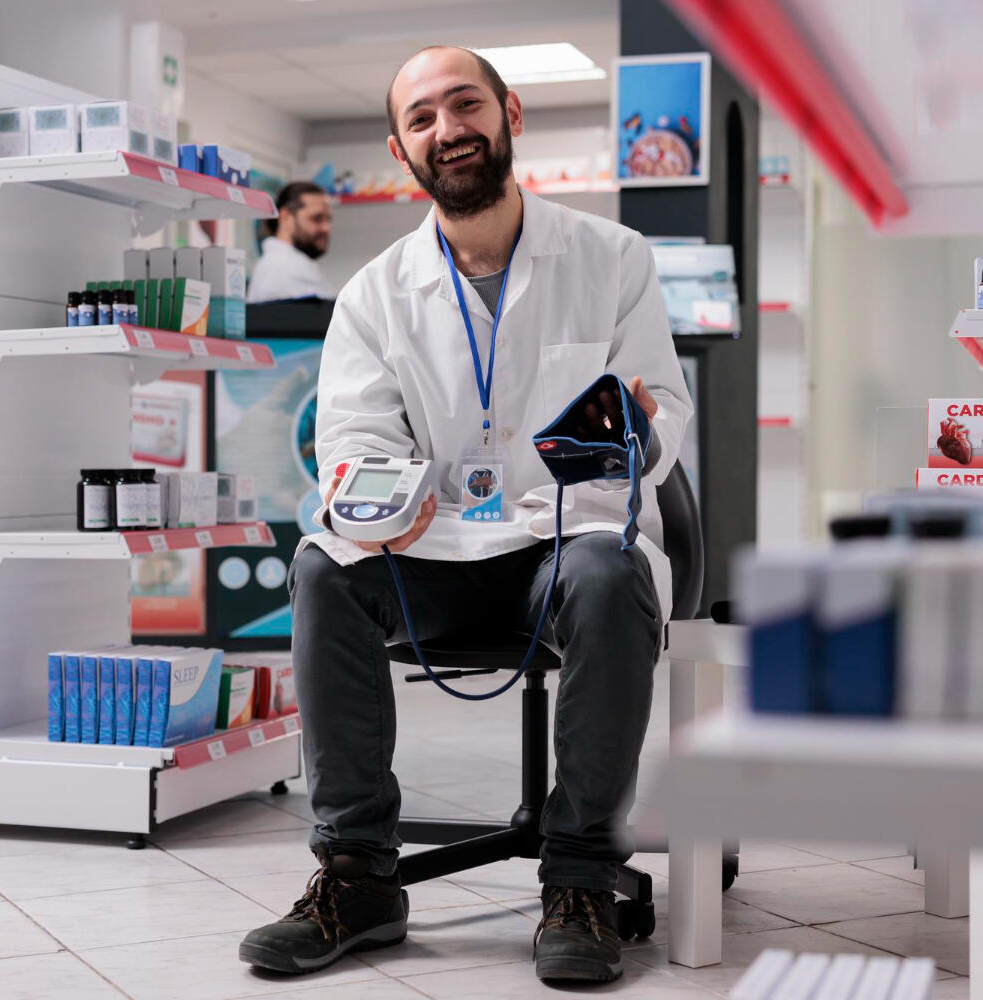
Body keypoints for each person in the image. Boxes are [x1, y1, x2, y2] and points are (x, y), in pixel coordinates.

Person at [239, 46, 692, 984]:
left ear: (510, 113)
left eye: (465, 104)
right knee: (323, 566)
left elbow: (665, 416)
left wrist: (636, 436)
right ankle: (358, 874)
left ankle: (580, 880)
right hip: (430, 550)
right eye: (422, 118)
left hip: (556, 549)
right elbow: (354, 441)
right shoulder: (372, 295)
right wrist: (375, 499)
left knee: (609, 574)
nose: (447, 130)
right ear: (401, 149)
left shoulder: (612, 258)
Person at [246, 180, 335, 302]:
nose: (326, 228)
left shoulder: (292, 264)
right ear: (286, 217)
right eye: (317, 218)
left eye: (328, 220)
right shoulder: (281, 269)